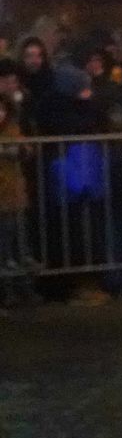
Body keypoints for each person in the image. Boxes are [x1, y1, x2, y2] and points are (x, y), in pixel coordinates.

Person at [0, 94, 33, 307]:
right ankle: (7, 292)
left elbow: (27, 149)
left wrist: (17, 149)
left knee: (20, 242)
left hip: (14, 194)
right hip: (4, 195)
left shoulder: (12, 128)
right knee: (5, 244)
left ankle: (24, 290)